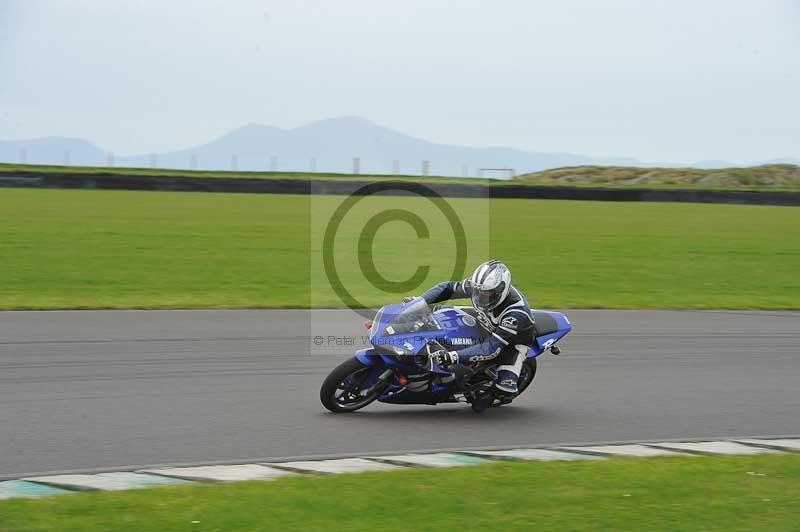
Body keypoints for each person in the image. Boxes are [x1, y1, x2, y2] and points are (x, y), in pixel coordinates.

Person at [408, 259, 535, 397]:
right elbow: (448, 288)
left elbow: (491, 348)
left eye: (487, 293)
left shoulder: (515, 314)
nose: (481, 296)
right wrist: (419, 302)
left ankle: (489, 394)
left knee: (504, 388)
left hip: (512, 341)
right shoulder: (480, 287)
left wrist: (452, 357)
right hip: (485, 320)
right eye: (479, 291)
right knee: (439, 314)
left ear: (501, 290)